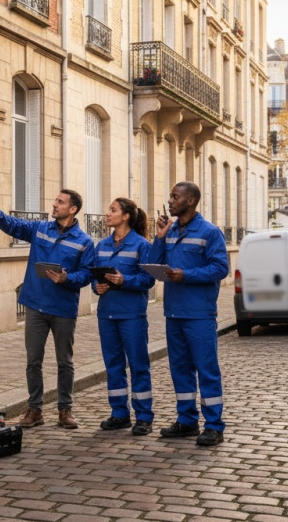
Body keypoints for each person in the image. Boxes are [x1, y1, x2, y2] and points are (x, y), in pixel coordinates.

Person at [0, 190, 95, 429]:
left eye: (60, 202)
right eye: (56, 200)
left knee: (65, 362)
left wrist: (67, 278)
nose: (54, 204)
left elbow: (87, 274)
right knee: (33, 361)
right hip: (35, 306)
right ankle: (35, 410)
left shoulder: (84, 242)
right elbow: (15, 226)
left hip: (63, 309)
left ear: (72, 209)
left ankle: (65, 410)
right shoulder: (41, 228)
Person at [148, 181, 229, 446]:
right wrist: (159, 237)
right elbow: (154, 263)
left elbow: (220, 268)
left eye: (175, 197)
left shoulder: (210, 232)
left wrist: (187, 275)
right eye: (170, 196)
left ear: (190, 200)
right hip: (173, 312)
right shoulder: (170, 230)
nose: (170, 201)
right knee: (180, 369)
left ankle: (214, 425)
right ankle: (186, 420)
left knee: (206, 369)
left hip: (200, 314)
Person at [93, 198, 156, 435]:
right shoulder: (102, 246)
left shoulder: (142, 245)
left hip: (132, 315)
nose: (107, 214)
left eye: (113, 210)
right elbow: (95, 276)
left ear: (126, 216)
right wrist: (95, 287)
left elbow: (149, 279)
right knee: (113, 366)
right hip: (106, 314)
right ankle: (119, 413)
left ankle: (144, 417)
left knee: (139, 365)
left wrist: (124, 280)